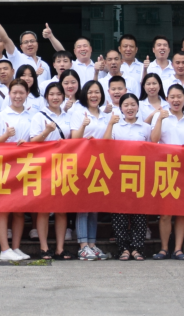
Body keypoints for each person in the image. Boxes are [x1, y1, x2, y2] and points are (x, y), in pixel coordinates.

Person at [0, 80, 36, 261]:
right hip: (5, 167)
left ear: (27, 94)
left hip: (25, 166)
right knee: (4, 208)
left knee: (19, 210)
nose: (18, 96)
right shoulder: (1, 116)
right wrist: (6, 136)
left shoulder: (32, 116)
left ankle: (16, 247)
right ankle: (4, 249)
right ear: (9, 94)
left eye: (21, 93)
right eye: (14, 93)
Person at [28, 82, 73, 260]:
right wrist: (46, 131)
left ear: (63, 96)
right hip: (44, 166)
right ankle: (44, 247)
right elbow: (33, 142)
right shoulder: (39, 116)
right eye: (52, 94)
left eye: (58, 94)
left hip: (64, 166)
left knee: (62, 209)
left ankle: (60, 248)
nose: (55, 97)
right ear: (46, 97)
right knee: (44, 208)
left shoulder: (68, 116)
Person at [151, 84, 184, 260]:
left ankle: (178, 249)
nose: (176, 100)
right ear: (167, 99)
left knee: (181, 213)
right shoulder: (160, 116)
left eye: (179, 97)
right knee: (165, 212)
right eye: (172, 97)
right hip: (165, 168)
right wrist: (160, 120)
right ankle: (164, 248)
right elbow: (153, 140)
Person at [105, 93, 151, 261]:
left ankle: (137, 248)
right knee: (119, 213)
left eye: (133, 105)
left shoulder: (146, 127)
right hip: (119, 174)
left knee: (139, 213)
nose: (130, 108)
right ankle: (123, 248)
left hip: (140, 174)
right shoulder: (116, 126)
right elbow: (106, 145)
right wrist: (110, 124)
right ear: (121, 108)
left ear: (138, 107)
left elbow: (153, 148)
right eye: (126, 105)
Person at [70, 80, 108, 260]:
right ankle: (83, 246)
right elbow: (73, 139)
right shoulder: (78, 113)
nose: (94, 95)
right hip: (83, 163)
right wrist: (84, 126)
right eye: (91, 92)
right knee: (83, 206)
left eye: (97, 92)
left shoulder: (105, 115)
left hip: (100, 164)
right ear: (85, 94)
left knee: (94, 206)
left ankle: (92, 244)